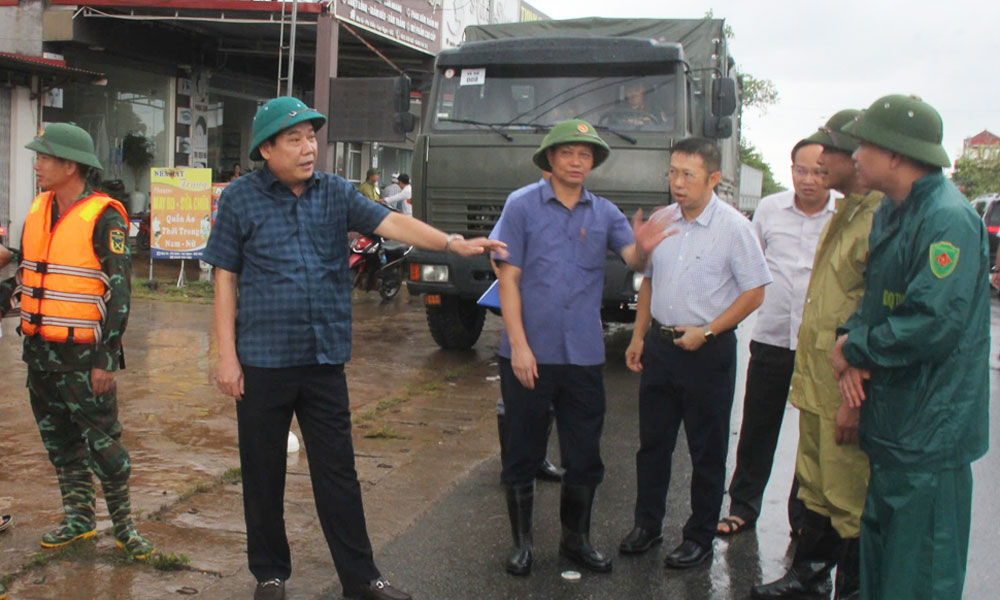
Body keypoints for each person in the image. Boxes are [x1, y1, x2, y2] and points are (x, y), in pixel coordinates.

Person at [202, 96, 505, 600]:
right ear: (267, 148)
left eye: (311, 137)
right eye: (295, 139)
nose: (308, 147)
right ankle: (270, 575)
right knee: (262, 472)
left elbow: (391, 223)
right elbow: (225, 279)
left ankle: (362, 579)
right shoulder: (240, 199)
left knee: (338, 472)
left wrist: (451, 243)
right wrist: (227, 356)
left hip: (323, 358)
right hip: (262, 360)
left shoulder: (335, 192)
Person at [489, 119, 670, 577]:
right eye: (567, 152)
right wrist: (519, 346)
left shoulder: (605, 212)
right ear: (550, 159)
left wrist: (645, 250)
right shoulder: (521, 205)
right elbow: (507, 279)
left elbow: (634, 259)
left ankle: (576, 541)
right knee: (523, 452)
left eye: (585, 155)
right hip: (530, 355)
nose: (576, 162)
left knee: (585, 455)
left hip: (584, 356)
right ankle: (522, 544)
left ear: (592, 163)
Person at [831, 95, 989, 600]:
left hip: (930, 431)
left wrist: (856, 351)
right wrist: (848, 341)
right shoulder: (892, 213)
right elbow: (876, 302)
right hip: (894, 425)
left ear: (896, 154)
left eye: (864, 144)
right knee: (886, 564)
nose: (855, 155)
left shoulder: (948, 219)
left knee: (922, 572)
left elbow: (931, 322)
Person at [0, 123, 154, 560]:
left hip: (85, 358)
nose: (36, 165)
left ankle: (126, 529)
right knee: (60, 442)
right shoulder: (40, 207)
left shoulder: (105, 215)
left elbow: (119, 291)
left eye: (44, 158)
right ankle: (80, 518)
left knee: (105, 444)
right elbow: (30, 269)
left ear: (71, 165)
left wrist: (106, 358)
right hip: (40, 354)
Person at [618, 136, 770, 569]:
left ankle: (699, 535)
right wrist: (637, 335)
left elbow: (755, 292)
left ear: (714, 178)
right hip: (662, 349)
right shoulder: (664, 219)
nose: (677, 183)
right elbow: (647, 279)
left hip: (707, 352)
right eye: (672, 172)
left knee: (706, 450)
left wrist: (708, 330)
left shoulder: (735, 228)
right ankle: (647, 525)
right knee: (653, 445)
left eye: (688, 174)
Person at [751, 110, 883, 600]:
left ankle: (849, 588)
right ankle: (808, 578)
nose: (818, 163)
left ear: (854, 155)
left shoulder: (878, 216)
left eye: (826, 152)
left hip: (845, 383)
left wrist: (856, 391)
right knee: (815, 483)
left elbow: (876, 308)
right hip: (815, 380)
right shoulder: (848, 210)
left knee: (848, 493)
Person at [718, 140, 836, 537]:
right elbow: (750, 266)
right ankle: (744, 505)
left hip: (822, 345)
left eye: (820, 172)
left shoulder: (843, 215)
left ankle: (804, 518)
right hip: (771, 337)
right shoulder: (770, 209)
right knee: (758, 425)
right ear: (791, 170)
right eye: (801, 170)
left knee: (814, 435)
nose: (809, 180)